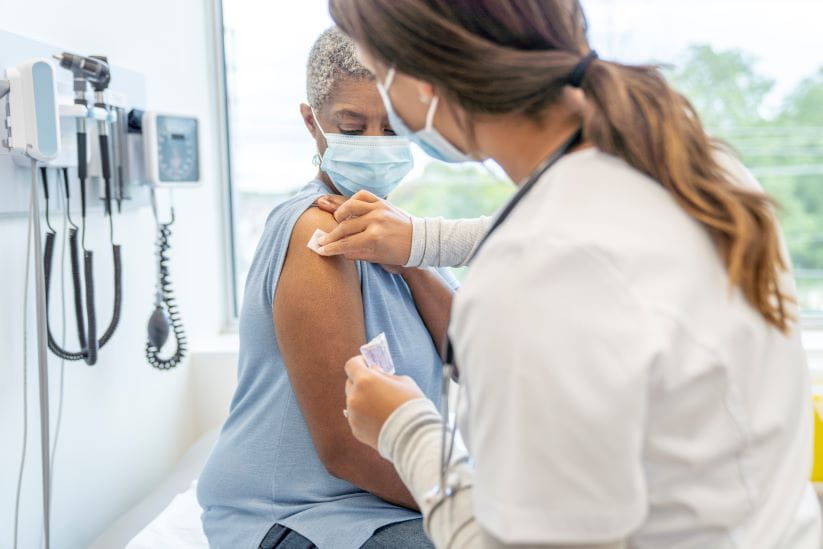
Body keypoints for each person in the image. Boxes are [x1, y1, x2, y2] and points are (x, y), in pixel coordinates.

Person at [319, 1, 823, 548]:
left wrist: (407, 428)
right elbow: (579, 236)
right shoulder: (699, 167)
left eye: (378, 71)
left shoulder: (533, 277)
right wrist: (423, 241)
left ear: (423, 80)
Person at [197, 26, 457, 549]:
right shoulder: (317, 230)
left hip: (381, 497)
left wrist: (410, 260)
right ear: (312, 124)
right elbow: (346, 448)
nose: (376, 145)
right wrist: (469, 503)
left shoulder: (401, 232)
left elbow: (472, 355)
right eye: (352, 127)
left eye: (392, 127)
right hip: (298, 511)